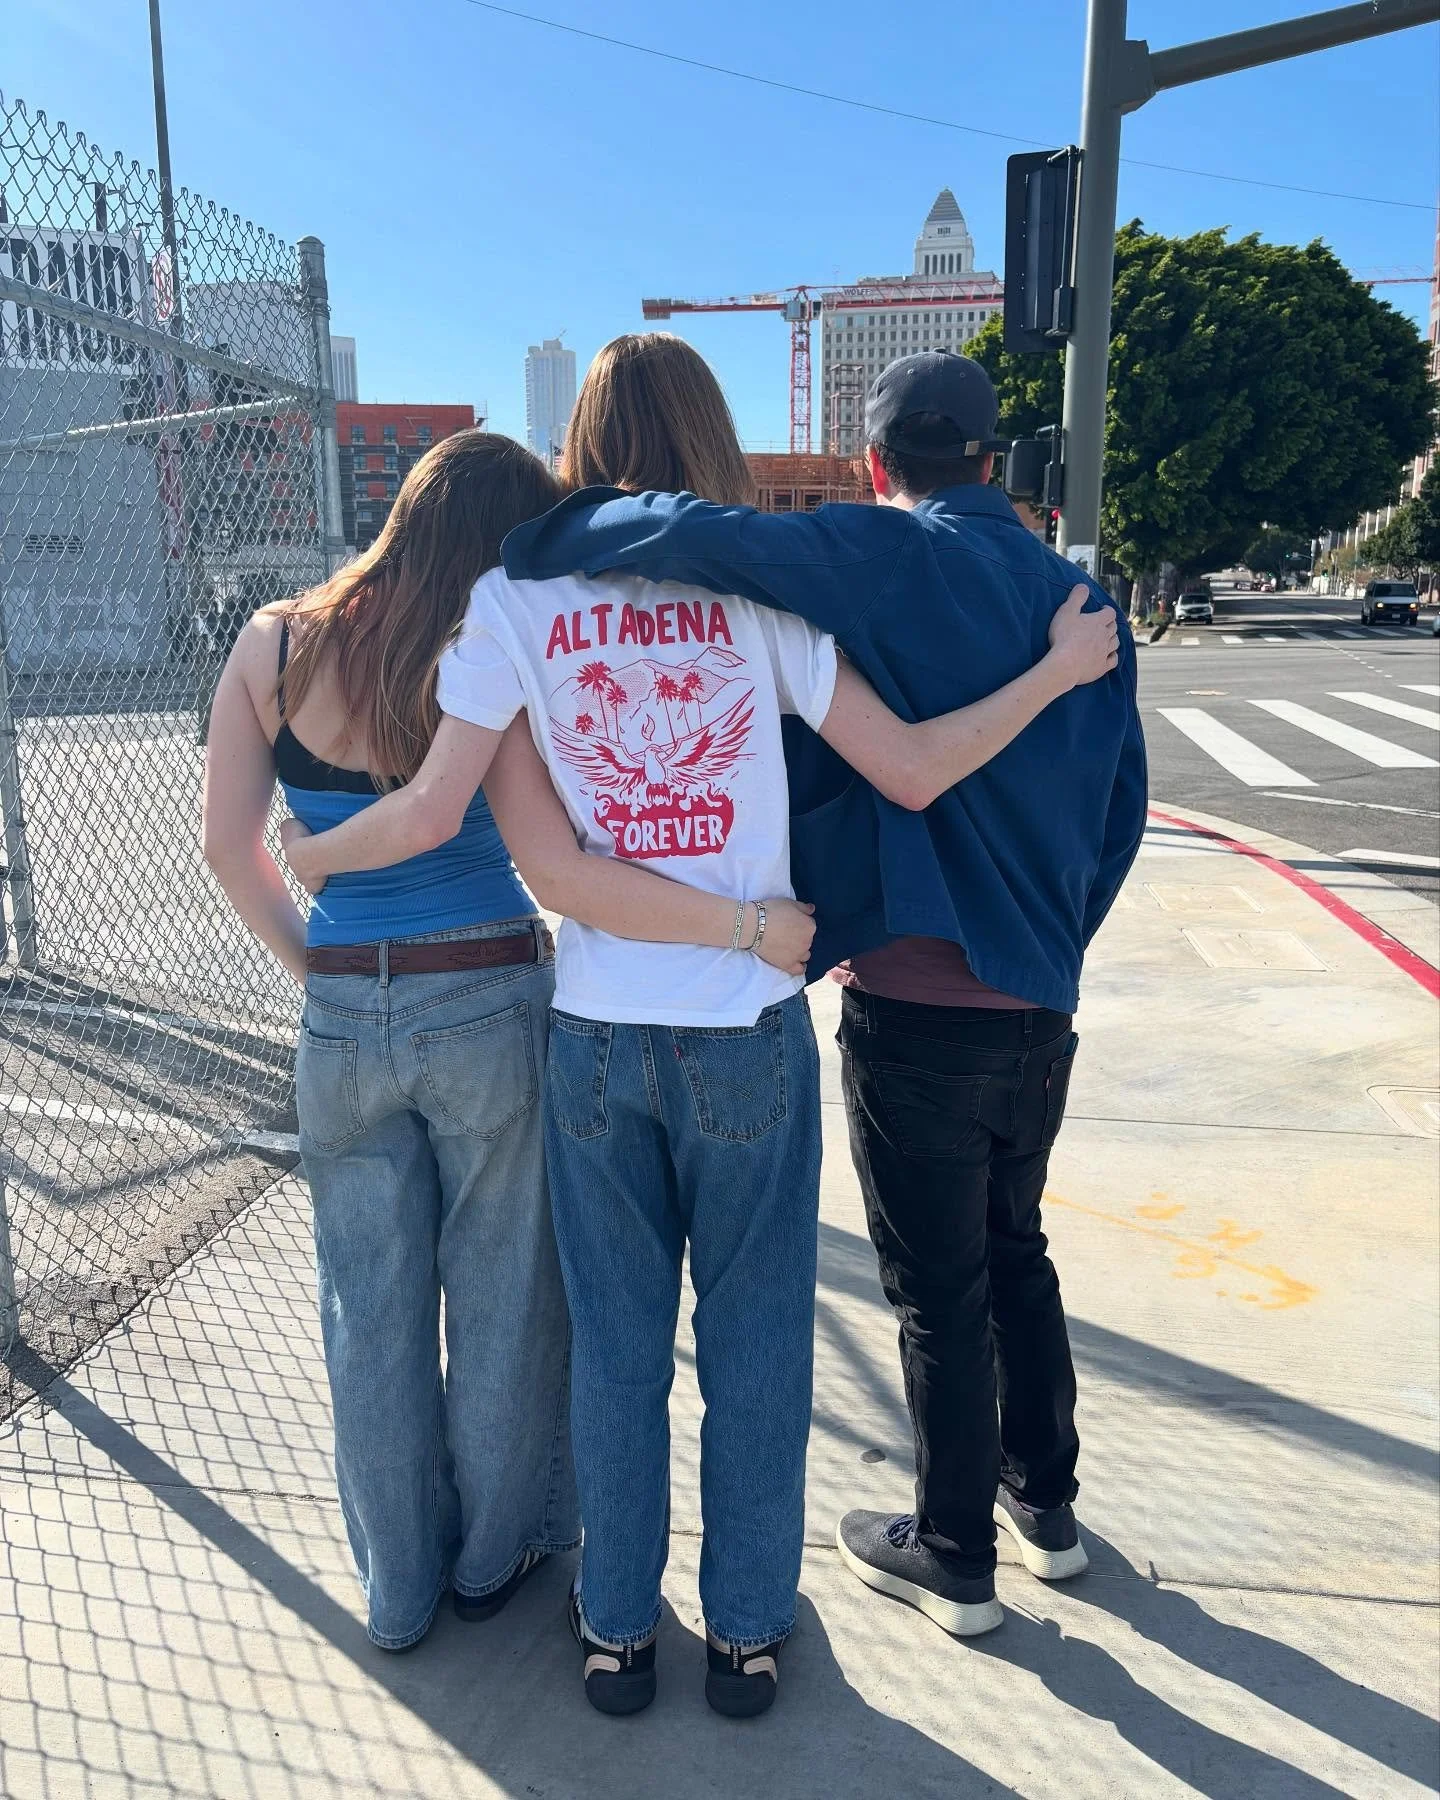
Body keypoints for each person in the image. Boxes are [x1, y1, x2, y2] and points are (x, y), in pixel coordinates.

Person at [282, 335, 1118, 1713]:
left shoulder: (510, 605)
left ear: (582, 452)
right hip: (746, 1029)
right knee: (755, 1345)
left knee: (616, 1350)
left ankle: (617, 1631)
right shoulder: (758, 609)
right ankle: (744, 1636)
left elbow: (469, 830)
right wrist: (1051, 675)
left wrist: (313, 864)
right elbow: (910, 771)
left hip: (595, 1036)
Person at [495, 350, 1148, 1640]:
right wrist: (1054, 946)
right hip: (1040, 997)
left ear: (875, 464)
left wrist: (558, 518)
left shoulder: (887, 556)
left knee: (932, 1284)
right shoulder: (1084, 607)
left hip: (903, 998)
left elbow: (690, 530)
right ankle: (1046, 1505)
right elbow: (1119, 816)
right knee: (1017, 1244)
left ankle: (952, 1550)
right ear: (993, 454)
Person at [201, 429, 820, 1652]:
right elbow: (538, 841)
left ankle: (396, 1591)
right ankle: (493, 1560)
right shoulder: (490, 643)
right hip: (487, 992)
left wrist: (331, 973)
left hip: (343, 1012)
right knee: (504, 1303)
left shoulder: (274, 643)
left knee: (364, 1306)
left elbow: (230, 847)